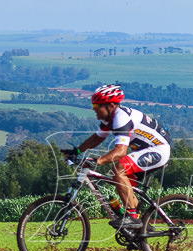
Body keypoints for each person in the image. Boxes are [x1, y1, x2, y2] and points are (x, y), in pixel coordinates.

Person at [64, 84, 172, 229]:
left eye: (97, 105)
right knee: (122, 185)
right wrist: (76, 151)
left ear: (111, 106)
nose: (94, 109)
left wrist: (98, 161)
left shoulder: (121, 118)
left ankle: (133, 218)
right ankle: (138, 229)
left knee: (118, 170)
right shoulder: (110, 118)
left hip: (159, 149)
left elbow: (120, 151)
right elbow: (98, 138)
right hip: (144, 149)